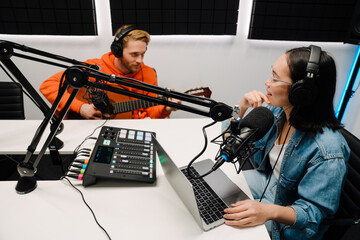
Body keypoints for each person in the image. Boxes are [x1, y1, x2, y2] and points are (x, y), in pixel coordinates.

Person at [222, 46, 350, 239]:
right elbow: (230, 140)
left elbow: (312, 214)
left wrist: (268, 211)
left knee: (225, 231)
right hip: (266, 183)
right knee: (215, 191)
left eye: (275, 78)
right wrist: (241, 106)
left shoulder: (328, 151)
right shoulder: (277, 113)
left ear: (302, 92)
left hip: (286, 214)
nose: (267, 82)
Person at [40, 25, 180, 119]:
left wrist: (166, 108)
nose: (139, 60)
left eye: (143, 54)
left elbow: (152, 110)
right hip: (87, 127)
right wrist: (80, 107)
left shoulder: (148, 73)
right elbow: (48, 85)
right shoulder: (94, 67)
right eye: (134, 54)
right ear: (117, 51)